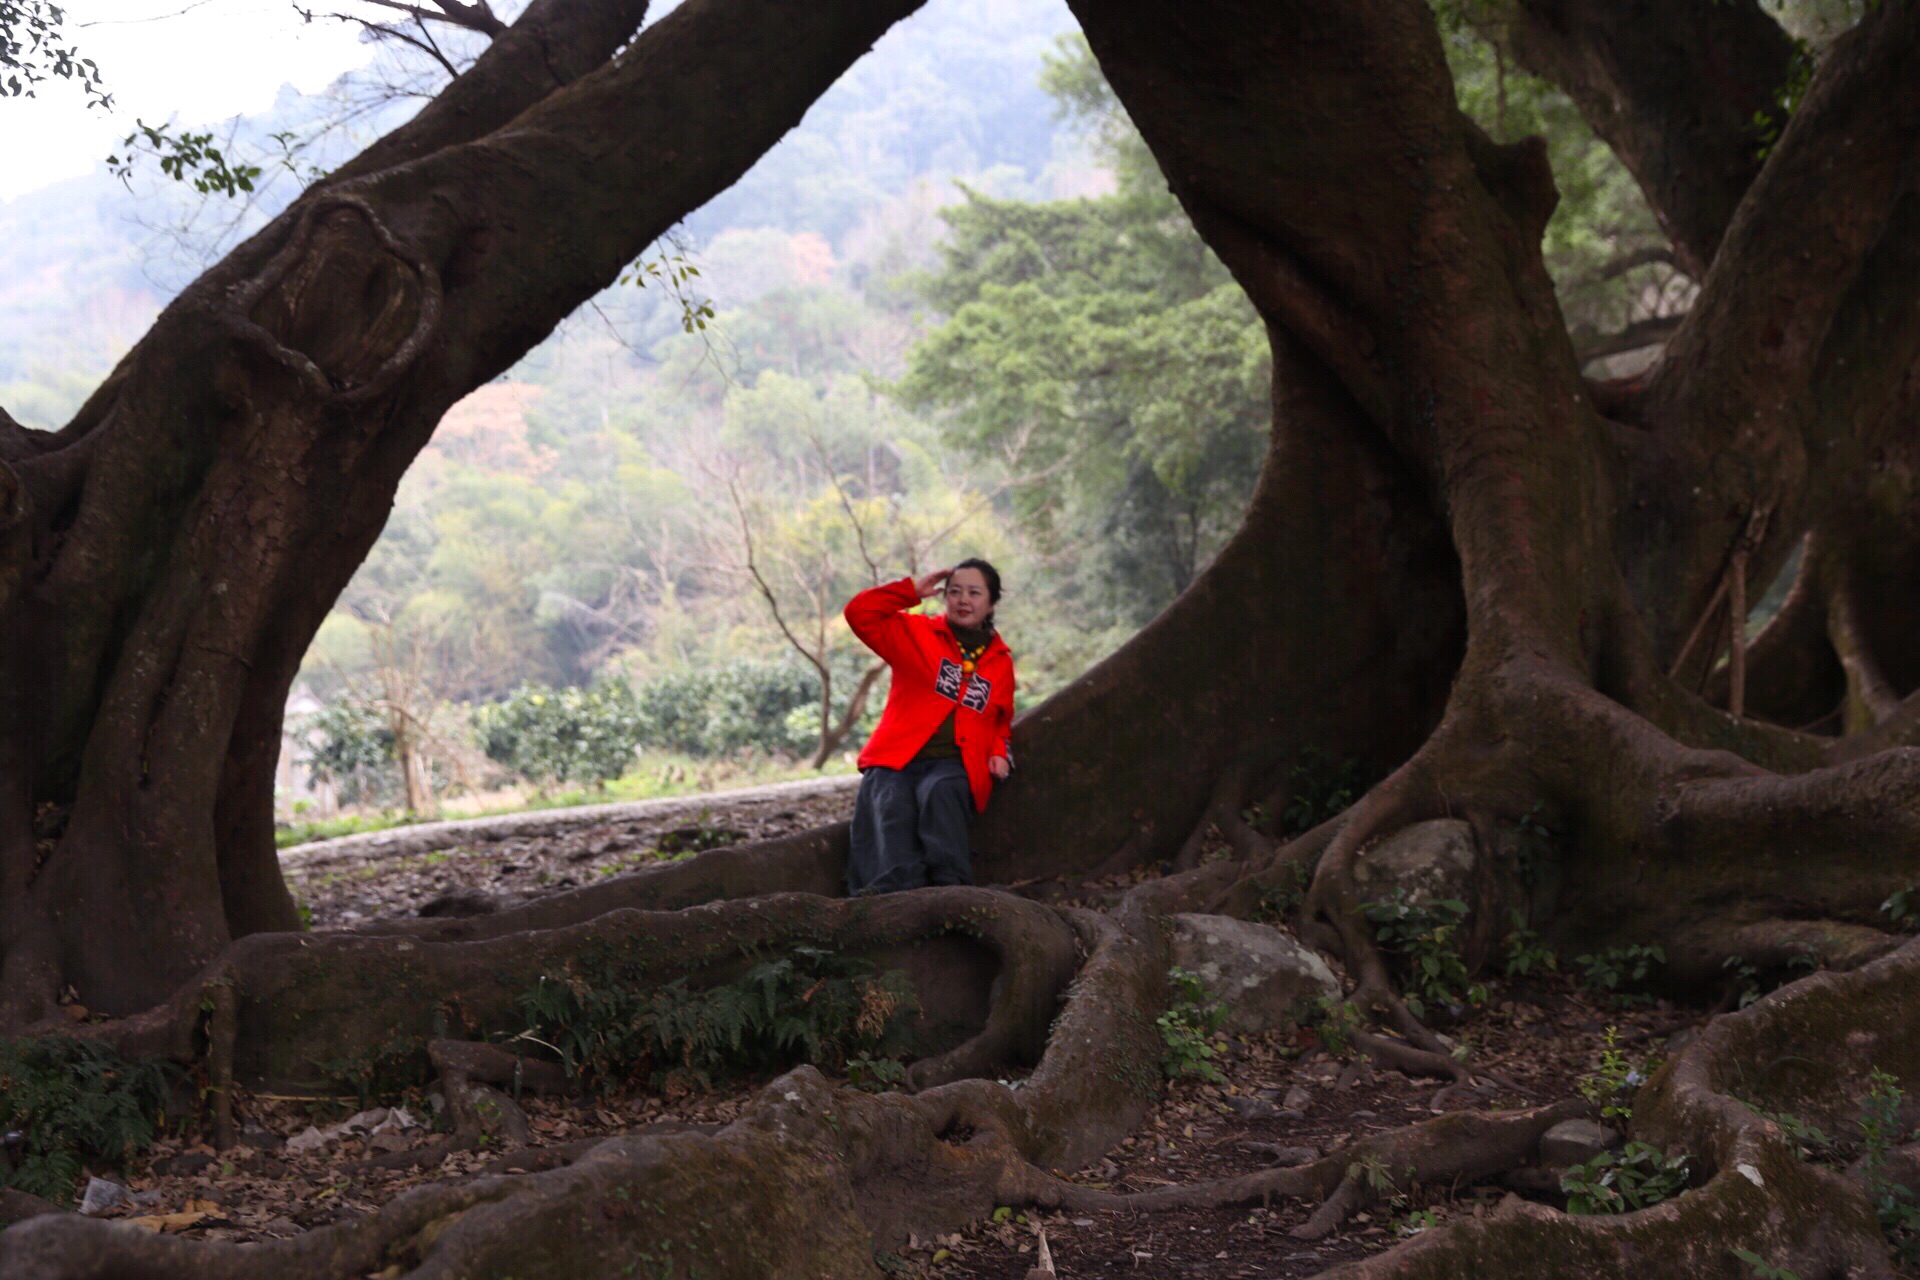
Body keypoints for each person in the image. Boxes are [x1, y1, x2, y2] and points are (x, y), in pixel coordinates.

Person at [842, 559, 1015, 894]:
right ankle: (891, 899)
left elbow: (1001, 720)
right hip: (896, 759)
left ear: (991, 602)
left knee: (941, 793)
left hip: (954, 763)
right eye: (955, 592)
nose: (963, 600)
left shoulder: (1001, 661)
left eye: (974, 592)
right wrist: (908, 592)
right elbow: (858, 613)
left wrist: (998, 752)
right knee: (891, 802)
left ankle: (950, 894)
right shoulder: (916, 633)